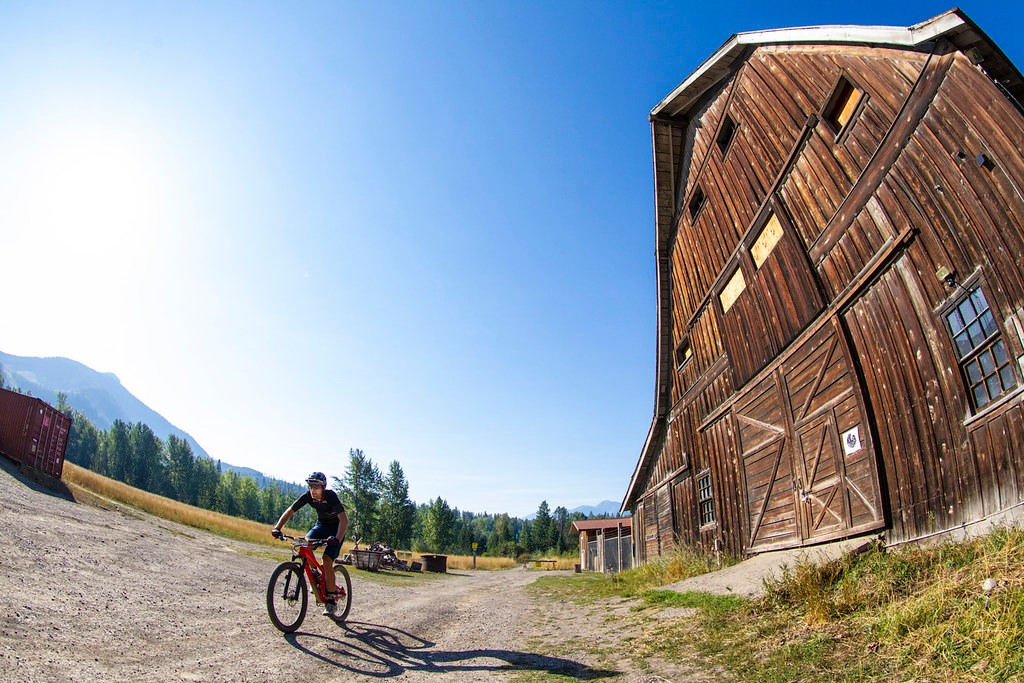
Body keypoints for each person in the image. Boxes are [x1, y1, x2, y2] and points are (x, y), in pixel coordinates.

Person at [272, 472, 349, 617]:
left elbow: (344, 520)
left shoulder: (331, 496)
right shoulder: (308, 496)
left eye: (317, 487)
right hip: (321, 526)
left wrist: (337, 538)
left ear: (323, 487)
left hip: (336, 529)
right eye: (311, 486)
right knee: (303, 544)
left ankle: (331, 600)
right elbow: (290, 511)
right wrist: (277, 528)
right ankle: (315, 574)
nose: (313, 490)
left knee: (327, 560)